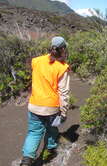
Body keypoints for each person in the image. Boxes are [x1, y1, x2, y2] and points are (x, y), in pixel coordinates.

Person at [20, 36, 71, 166]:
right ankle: (51, 148)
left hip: (34, 105)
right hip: (51, 107)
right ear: (63, 49)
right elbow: (64, 93)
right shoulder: (62, 67)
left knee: (34, 132)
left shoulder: (36, 61)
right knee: (52, 129)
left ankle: (26, 160)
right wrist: (64, 112)